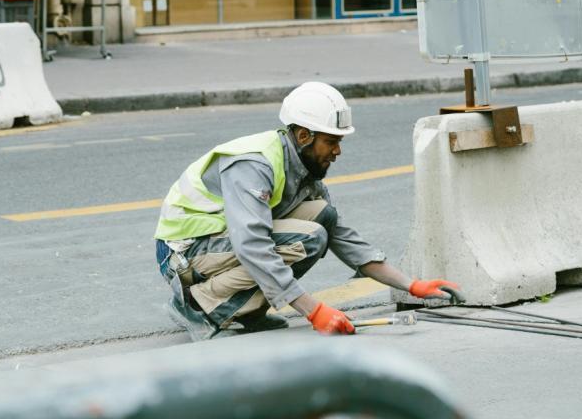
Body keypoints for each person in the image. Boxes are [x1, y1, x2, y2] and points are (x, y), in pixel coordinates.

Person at [154, 81, 462, 340]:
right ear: (304, 136)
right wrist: (313, 310)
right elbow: (253, 245)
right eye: (331, 142)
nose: (338, 151)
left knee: (322, 217)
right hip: (184, 254)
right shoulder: (254, 164)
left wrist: (410, 285)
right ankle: (199, 306)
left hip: (217, 246)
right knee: (309, 238)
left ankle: (246, 312)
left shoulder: (303, 169)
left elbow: (343, 236)